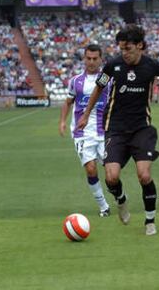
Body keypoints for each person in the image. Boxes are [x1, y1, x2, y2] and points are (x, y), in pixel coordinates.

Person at [77, 24, 159, 236]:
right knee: (111, 177)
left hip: (141, 129)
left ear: (140, 46)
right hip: (115, 129)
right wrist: (85, 114)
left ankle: (150, 220)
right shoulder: (112, 66)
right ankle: (121, 200)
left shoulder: (152, 66)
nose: (124, 53)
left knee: (144, 175)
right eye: (121, 49)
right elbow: (98, 88)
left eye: (128, 48)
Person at [59, 44, 111, 218]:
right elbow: (68, 102)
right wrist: (62, 122)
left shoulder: (108, 80)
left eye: (95, 58)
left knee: (112, 173)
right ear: (84, 59)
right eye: (88, 58)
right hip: (82, 133)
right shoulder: (75, 81)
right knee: (90, 169)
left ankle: (119, 197)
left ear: (101, 59)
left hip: (105, 132)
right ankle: (103, 206)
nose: (91, 62)